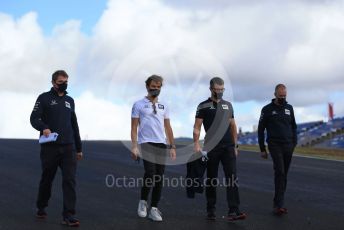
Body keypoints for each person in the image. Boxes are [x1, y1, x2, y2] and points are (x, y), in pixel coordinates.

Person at [30, 70, 83, 227]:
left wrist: (78, 147)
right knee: (47, 178)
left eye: (66, 81)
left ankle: (68, 215)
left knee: (69, 180)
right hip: (50, 148)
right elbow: (34, 118)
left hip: (68, 148)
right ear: (53, 83)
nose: (64, 84)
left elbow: (74, 124)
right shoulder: (44, 98)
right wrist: (44, 127)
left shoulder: (70, 100)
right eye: (61, 82)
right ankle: (41, 206)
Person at [193, 77, 246, 221]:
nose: (220, 92)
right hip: (211, 147)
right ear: (211, 89)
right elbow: (197, 127)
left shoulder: (228, 105)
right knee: (212, 179)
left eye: (222, 89)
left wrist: (235, 145)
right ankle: (211, 209)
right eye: (217, 90)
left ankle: (234, 210)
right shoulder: (203, 106)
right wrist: (196, 143)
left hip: (228, 147)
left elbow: (233, 126)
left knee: (232, 178)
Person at [131, 74, 176, 222]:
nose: (155, 89)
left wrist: (172, 146)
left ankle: (154, 209)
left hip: (161, 143)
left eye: (158, 87)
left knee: (159, 177)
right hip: (146, 143)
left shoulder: (164, 106)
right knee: (150, 172)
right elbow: (134, 127)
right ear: (147, 86)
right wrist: (134, 146)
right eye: (153, 86)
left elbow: (168, 127)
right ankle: (143, 202)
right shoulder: (138, 104)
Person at [258, 83, 297, 215]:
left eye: (285, 96)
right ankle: (279, 204)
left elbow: (294, 126)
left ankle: (278, 201)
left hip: (288, 145)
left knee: (284, 174)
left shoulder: (289, 108)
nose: (283, 98)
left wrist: (294, 143)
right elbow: (260, 129)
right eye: (280, 95)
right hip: (274, 145)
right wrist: (262, 148)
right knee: (279, 171)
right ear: (275, 94)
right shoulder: (267, 109)